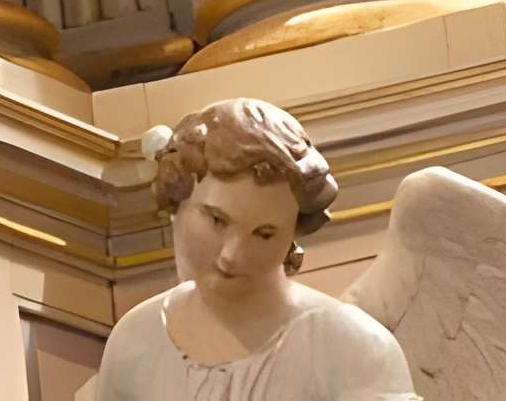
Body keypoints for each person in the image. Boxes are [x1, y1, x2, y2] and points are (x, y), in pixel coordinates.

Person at [92, 99, 417, 398]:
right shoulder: (135, 343)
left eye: (264, 234)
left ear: (293, 234)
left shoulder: (352, 349)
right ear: (178, 199)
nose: (232, 254)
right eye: (217, 220)